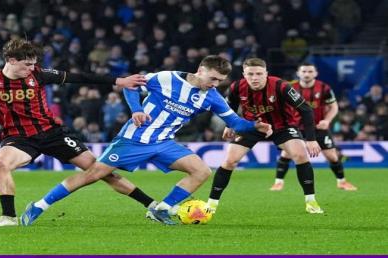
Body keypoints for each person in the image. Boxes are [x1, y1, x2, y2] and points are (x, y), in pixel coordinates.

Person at [21, 55, 272, 226]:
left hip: (164, 142)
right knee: (93, 175)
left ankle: (161, 209)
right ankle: (39, 206)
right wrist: (136, 109)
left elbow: (235, 122)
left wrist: (254, 126)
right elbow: (131, 85)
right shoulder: (166, 78)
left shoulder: (212, 96)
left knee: (201, 171)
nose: (215, 84)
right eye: (213, 79)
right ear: (201, 70)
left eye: (220, 81)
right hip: (134, 139)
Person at [0, 38, 153, 227]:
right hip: (20, 139)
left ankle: (152, 206)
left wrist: (119, 81)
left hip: (53, 133)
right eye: (27, 64)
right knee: (1, 163)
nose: (31, 68)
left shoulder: (38, 74)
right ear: (11, 60)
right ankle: (8, 217)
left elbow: (79, 77)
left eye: (33, 64)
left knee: (100, 170)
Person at [207, 57, 324, 215]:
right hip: (253, 126)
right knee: (230, 161)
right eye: (250, 74)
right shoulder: (237, 87)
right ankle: (211, 205)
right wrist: (229, 125)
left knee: (300, 155)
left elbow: (306, 109)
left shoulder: (281, 86)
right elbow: (231, 106)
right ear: (244, 74)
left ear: (266, 73)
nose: (254, 78)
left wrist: (311, 139)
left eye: (259, 74)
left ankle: (311, 202)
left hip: (282, 127)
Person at [270, 63, 357, 191]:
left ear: (316, 73)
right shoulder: (289, 87)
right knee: (286, 153)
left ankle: (342, 182)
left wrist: (327, 121)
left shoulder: (324, 88)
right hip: (295, 127)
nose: (307, 74)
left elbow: (334, 107)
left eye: (310, 71)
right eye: (304, 71)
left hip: (318, 127)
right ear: (298, 73)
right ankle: (278, 183)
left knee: (332, 156)